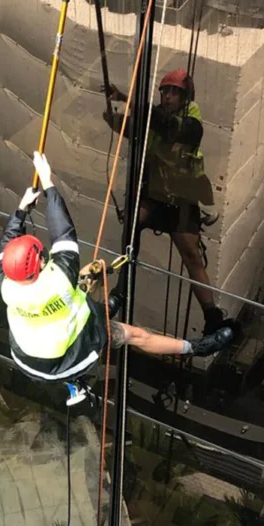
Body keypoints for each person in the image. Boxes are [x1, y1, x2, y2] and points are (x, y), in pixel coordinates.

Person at [0, 152, 233, 388]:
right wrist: (48, 182)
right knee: (136, 336)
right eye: (42, 255)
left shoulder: (8, 283)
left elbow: (7, 242)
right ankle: (197, 348)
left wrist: (21, 208)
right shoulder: (58, 280)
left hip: (28, 360)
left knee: (79, 296)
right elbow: (63, 231)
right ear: (39, 264)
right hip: (71, 356)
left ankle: (107, 308)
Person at [104, 69, 228, 333]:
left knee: (192, 255)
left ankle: (212, 315)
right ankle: (120, 290)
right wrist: (115, 118)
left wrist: (126, 98)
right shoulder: (155, 120)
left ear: (186, 97)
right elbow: (138, 128)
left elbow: (167, 127)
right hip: (155, 195)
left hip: (180, 199)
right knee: (131, 232)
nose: (169, 96)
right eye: (165, 91)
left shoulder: (191, 125)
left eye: (175, 92)